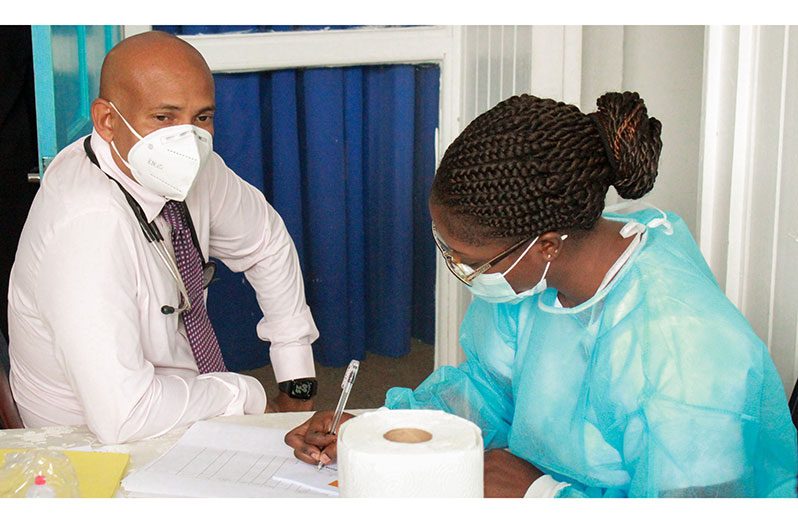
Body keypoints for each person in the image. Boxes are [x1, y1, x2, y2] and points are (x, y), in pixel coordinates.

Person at [285, 91, 798, 497]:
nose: (459, 270)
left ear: (546, 244)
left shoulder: (685, 352)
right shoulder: (537, 278)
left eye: (470, 259)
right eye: (447, 250)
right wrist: (385, 431)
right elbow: (487, 389)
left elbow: (698, 505)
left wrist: (542, 497)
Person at [8, 31, 320, 444]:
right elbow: (125, 416)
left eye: (202, 117)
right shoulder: (87, 227)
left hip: (179, 404)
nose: (186, 139)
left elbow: (266, 241)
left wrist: (296, 377)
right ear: (107, 121)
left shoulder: (190, 166)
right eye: (164, 118)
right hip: (88, 445)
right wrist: (247, 395)